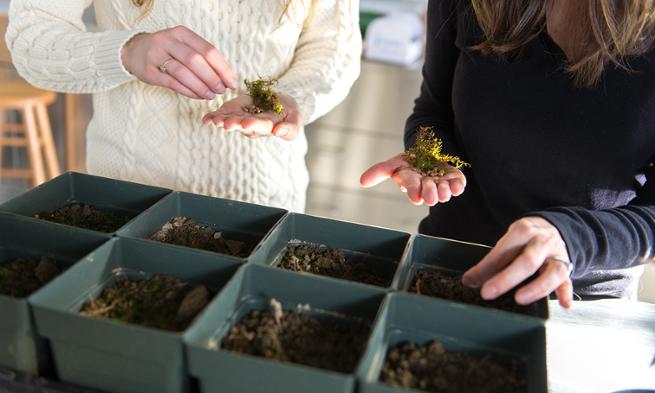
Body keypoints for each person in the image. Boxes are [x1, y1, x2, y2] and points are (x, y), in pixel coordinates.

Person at [361, 0, 655, 308]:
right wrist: (432, 157)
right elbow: (432, 111)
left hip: (580, 300)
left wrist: (573, 237)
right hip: (447, 269)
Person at [5, 0, 361, 212]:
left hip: (264, 205)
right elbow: (31, 39)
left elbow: (333, 50)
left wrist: (288, 97)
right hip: (124, 202)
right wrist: (127, 52)